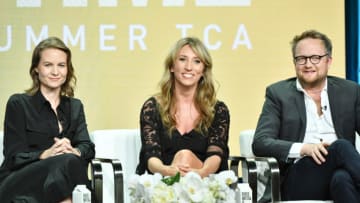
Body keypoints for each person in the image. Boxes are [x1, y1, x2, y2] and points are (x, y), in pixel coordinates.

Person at [252, 29, 360, 202]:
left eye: (315, 58)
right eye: (301, 59)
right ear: (294, 62)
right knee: (341, 147)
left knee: (342, 180)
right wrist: (304, 148)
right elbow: (260, 143)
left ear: (328, 61)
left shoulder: (350, 91)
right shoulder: (278, 94)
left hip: (341, 172)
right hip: (298, 179)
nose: (308, 64)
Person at [0, 37, 95, 203]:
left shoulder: (75, 106)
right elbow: (13, 157)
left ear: (68, 69)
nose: (55, 72)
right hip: (19, 183)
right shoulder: (18, 103)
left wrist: (75, 151)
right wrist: (45, 154)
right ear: (36, 68)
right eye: (48, 65)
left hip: (59, 181)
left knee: (70, 160)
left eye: (61, 65)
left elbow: (87, 146)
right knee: (69, 163)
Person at [136, 37, 230, 178]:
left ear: (203, 70)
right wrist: (168, 171)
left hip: (205, 182)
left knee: (184, 156)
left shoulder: (217, 110)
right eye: (182, 59)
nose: (189, 67)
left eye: (197, 61)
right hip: (163, 180)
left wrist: (200, 174)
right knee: (182, 158)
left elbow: (215, 156)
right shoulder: (152, 108)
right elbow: (151, 158)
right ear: (172, 66)